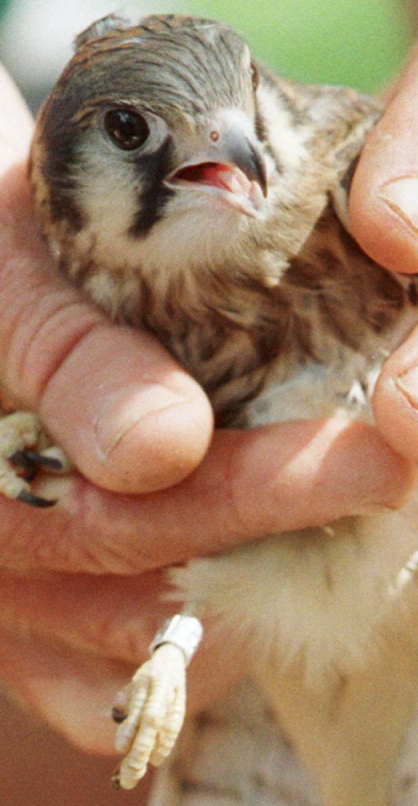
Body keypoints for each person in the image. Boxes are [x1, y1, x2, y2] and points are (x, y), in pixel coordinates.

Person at [1, 45, 418, 801]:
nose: (233, 145)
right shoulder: (50, 253)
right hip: (219, 640)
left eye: (245, 106)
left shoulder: (348, 179)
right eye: (132, 131)